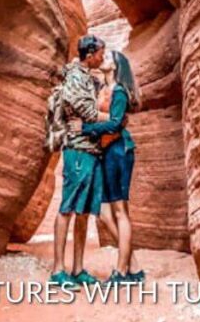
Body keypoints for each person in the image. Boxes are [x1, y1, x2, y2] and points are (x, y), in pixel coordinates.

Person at [68, 50, 144, 283]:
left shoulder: (119, 91)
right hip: (105, 152)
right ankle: (134, 267)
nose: (104, 59)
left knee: (121, 211)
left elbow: (113, 124)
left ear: (117, 67)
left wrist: (85, 129)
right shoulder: (102, 88)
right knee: (102, 211)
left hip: (119, 150)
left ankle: (122, 272)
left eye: (109, 58)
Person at [49, 35, 105, 288]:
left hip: (90, 150)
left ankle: (78, 268)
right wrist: (114, 117)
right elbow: (90, 114)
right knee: (68, 208)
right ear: (90, 54)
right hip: (78, 151)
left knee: (82, 213)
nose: (103, 57)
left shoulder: (88, 78)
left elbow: (92, 117)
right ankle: (57, 270)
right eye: (100, 53)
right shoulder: (75, 78)